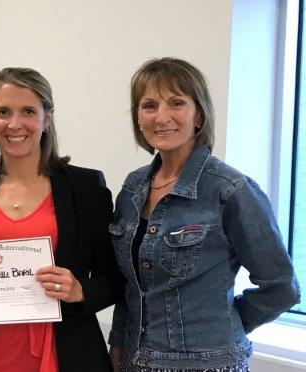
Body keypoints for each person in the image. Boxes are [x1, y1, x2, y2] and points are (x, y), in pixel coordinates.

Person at [107, 57, 300, 372]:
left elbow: (281, 286)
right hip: (135, 360)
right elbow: (128, 284)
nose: (162, 117)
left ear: (199, 114)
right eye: (149, 105)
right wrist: (118, 343)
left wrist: (224, 328)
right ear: (138, 117)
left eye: (177, 103)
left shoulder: (231, 190)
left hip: (207, 364)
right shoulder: (133, 188)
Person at [0, 67, 121, 372]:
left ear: (47, 117)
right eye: (3, 112)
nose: (14, 124)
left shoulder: (86, 188)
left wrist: (80, 291)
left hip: (67, 356)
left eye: (28, 111)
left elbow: (115, 278)